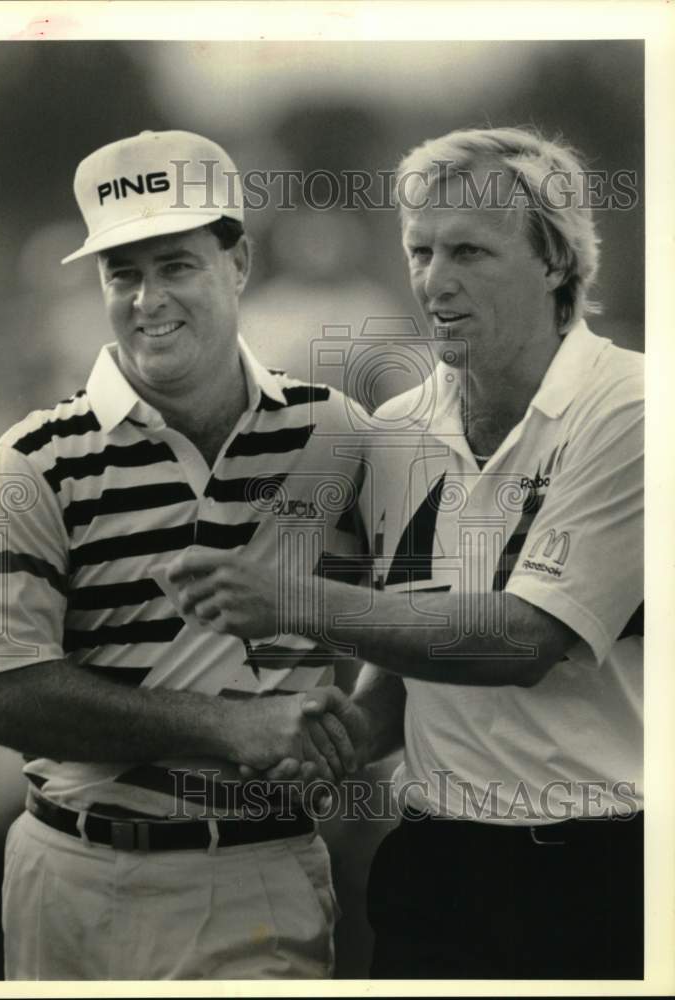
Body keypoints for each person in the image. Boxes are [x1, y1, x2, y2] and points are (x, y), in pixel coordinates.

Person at [167, 127, 644, 979]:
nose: (434, 281)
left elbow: (520, 641)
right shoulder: (397, 429)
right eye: (420, 251)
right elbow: (408, 658)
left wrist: (294, 601)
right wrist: (328, 746)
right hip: (435, 865)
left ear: (557, 262)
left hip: (611, 868)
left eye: (469, 251)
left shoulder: (637, 410)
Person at [0, 129, 369, 981]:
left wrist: (352, 736)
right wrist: (230, 725)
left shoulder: (336, 434)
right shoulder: (37, 457)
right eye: (123, 274)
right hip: (69, 880)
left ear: (239, 261)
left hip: (263, 875)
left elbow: (423, 614)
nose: (148, 300)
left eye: (175, 266)